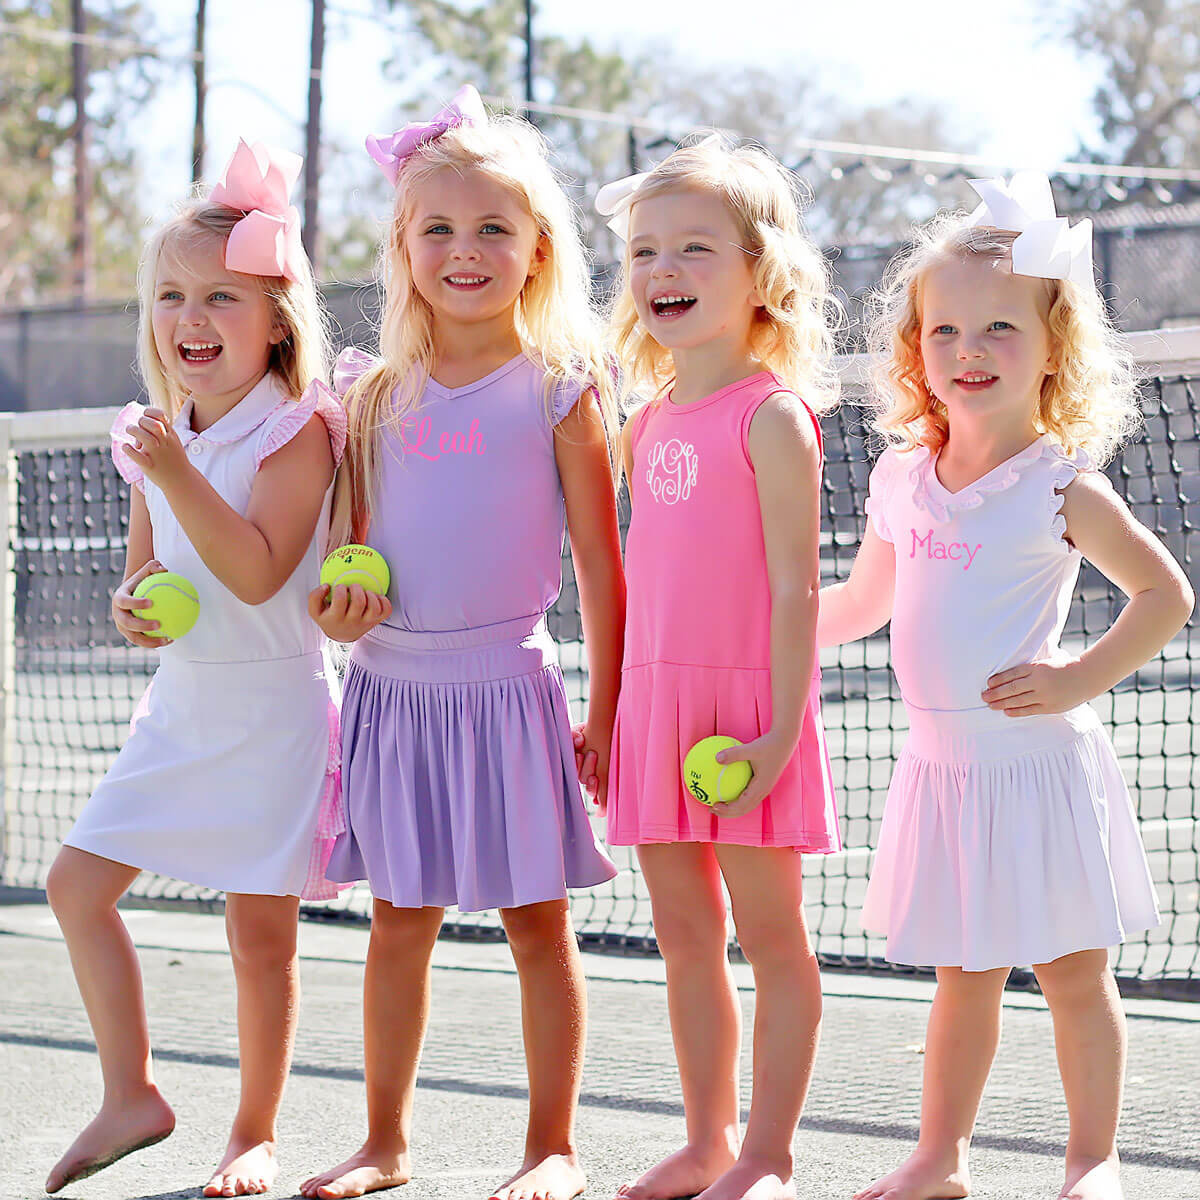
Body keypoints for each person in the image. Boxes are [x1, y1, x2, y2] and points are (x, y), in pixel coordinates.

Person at [819, 173, 1193, 1200]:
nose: (970, 351)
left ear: (1052, 350)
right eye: (945, 332)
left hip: (1037, 770)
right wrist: (757, 628)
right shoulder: (900, 479)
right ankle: (939, 1163)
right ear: (916, 350)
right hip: (941, 772)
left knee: (1075, 975)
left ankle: (1093, 1162)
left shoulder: (1062, 483)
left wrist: (1076, 677)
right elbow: (859, 607)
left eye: (999, 330)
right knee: (962, 980)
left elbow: (1165, 595)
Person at [298, 87, 624, 1200]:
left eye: (493, 227)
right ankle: (383, 1144)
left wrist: (611, 713)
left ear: (537, 249)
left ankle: (552, 1149)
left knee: (539, 924)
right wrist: (337, 619)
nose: (465, 250)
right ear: (402, 247)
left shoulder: (562, 394)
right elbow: (345, 564)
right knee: (399, 922)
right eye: (437, 228)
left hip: (510, 692)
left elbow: (601, 573)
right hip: (390, 695)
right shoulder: (370, 398)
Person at [44, 139, 346, 1197]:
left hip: (276, 710)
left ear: (277, 319)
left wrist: (174, 472)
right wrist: (135, 613)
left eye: (221, 296)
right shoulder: (154, 435)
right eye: (172, 295)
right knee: (76, 887)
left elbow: (260, 574)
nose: (190, 319)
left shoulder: (300, 430)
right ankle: (132, 1094)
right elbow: (150, 587)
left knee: (260, 935)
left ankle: (252, 1132)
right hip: (181, 711)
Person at [595, 136, 841, 1200]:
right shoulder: (644, 422)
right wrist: (611, 717)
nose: (666, 271)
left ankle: (768, 1156)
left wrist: (779, 730)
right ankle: (705, 1140)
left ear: (761, 273)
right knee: (685, 938)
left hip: (746, 717)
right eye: (647, 250)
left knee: (772, 939)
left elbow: (797, 593)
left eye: (697, 248)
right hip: (659, 710)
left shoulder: (775, 417)